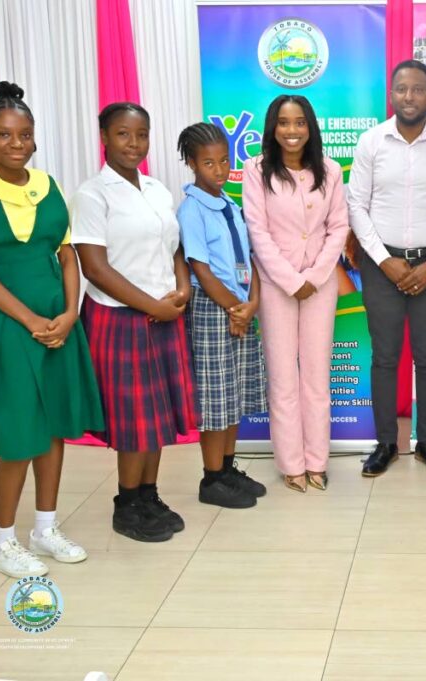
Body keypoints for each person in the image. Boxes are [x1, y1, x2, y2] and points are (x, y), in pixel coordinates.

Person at [0, 82, 103, 577]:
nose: (17, 143)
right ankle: (3, 542)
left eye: (25, 134)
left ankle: (45, 528)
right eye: (5, 134)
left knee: (53, 430)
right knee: (19, 436)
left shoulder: (48, 185)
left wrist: (71, 312)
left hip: (60, 324)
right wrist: (30, 319)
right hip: (11, 330)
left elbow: (67, 253)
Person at [72, 102, 200, 543]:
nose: (134, 144)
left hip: (165, 313)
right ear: (104, 137)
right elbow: (94, 266)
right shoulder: (93, 193)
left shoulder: (158, 189)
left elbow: (175, 250)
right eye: (123, 135)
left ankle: (149, 495)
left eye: (141, 135)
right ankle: (126, 504)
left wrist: (181, 290)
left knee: (157, 414)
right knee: (133, 419)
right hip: (120, 317)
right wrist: (153, 305)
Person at [347, 59, 426, 477]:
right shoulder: (371, 142)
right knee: (384, 357)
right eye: (402, 89)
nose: (410, 97)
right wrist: (384, 261)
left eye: (418, 90)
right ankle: (385, 444)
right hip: (382, 265)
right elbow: (356, 208)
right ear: (392, 94)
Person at [243, 95, 349, 493]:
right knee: (284, 376)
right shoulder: (256, 171)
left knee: (316, 378)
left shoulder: (330, 170)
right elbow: (258, 230)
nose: (292, 131)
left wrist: (317, 275)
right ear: (273, 127)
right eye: (284, 123)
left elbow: (339, 227)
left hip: (320, 285)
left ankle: (317, 461)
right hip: (275, 285)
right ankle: (291, 464)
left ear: (310, 127)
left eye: (299, 123)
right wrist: (290, 279)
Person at [175, 122, 268, 508]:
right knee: (215, 400)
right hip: (215, 311)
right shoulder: (192, 209)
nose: (218, 170)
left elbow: (250, 259)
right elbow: (200, 268)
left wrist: (252, 304)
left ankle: (228, 468)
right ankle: (211, 478)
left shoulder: (231, 205)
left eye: (223, 161)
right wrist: (235, 308)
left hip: (241, 309)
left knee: (235, 394)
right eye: (208, 163)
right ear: (191, 164)